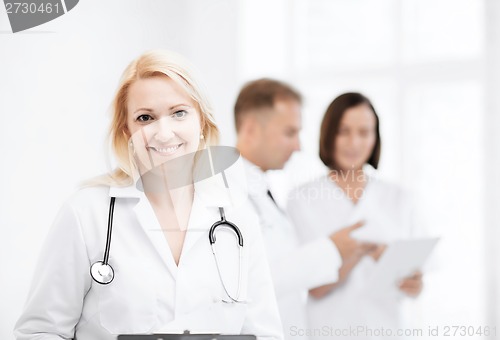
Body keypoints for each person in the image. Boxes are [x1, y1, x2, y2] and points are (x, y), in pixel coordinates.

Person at [14, 50, 283, 340]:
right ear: (127, 130)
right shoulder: (86, 213)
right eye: (145, 118)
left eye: (179, 113)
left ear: (202, 122)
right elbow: (40, 332)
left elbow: (265, 333)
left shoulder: (238, 217)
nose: (164, 133)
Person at [233, 79, 376, 340]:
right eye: (290, 133)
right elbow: (246, 282)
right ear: (251, 129)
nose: (298, 146)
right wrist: (331, 250)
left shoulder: (261, 190)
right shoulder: (227, 193)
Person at [287, 92, 424, 340]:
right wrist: (358, 249)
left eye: (364, 132)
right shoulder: (302, 199)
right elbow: (314, 286)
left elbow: (413, 279)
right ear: (328, 135)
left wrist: (414, 285)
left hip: (388, 329)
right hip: (328, 330)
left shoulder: (399, 197)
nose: (354, 143)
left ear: (375, 138)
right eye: (343, 131)